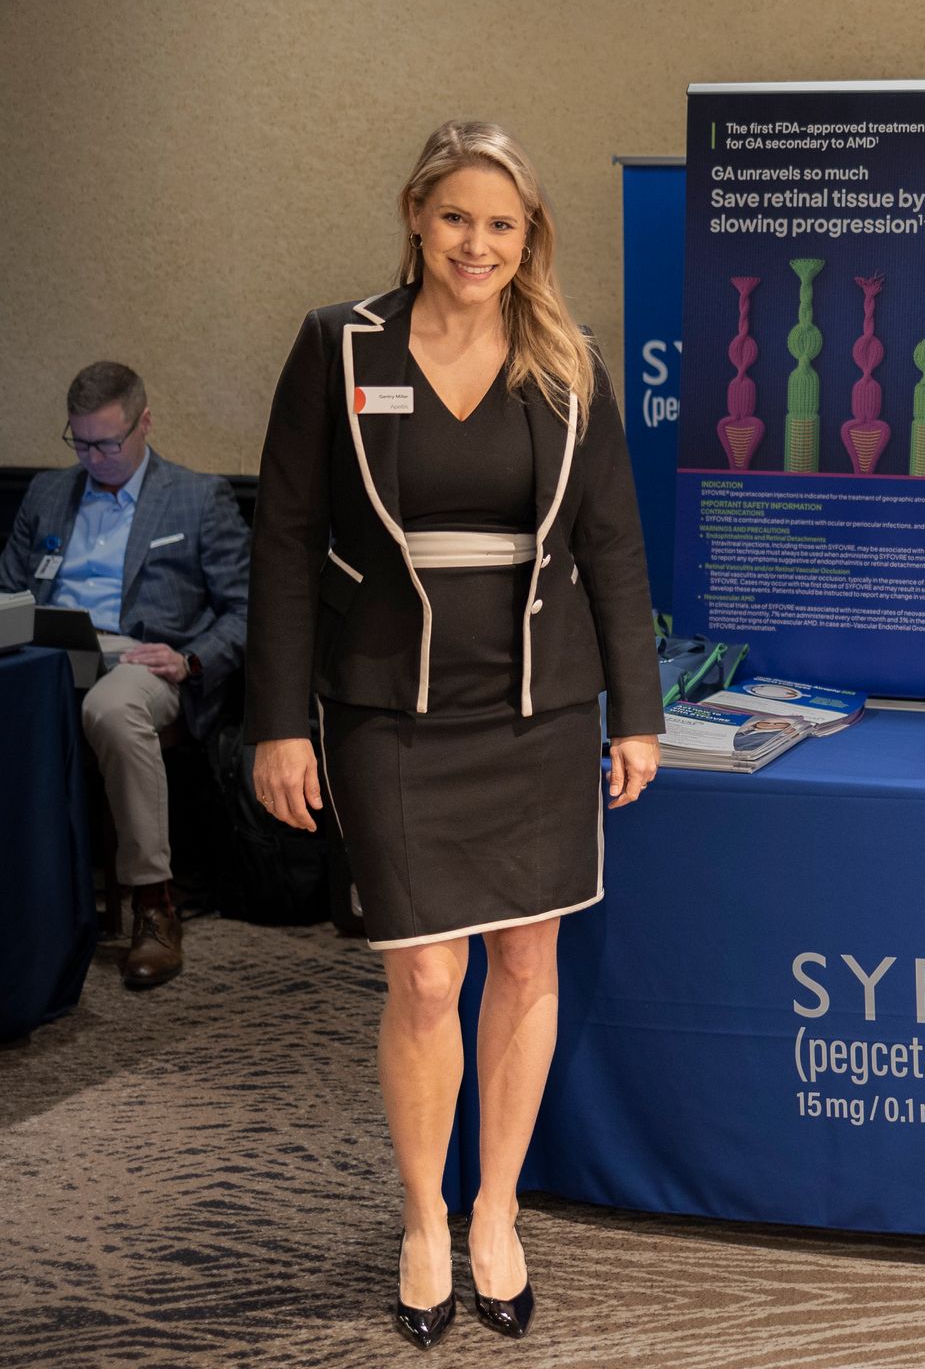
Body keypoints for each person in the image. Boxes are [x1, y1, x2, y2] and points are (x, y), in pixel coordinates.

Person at [245, 121, 663, 1350]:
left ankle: (496, 1210)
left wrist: (637, 712)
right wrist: (277, 724)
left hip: (539, 699)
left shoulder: (567, 357)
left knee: (528, 964)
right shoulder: (341, 344)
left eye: (503, 223)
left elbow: (613, 548)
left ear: (531, 235)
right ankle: (423, 1217)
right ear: (417, 218)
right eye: (457, 218)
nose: (478, 244)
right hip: (386, 700)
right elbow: (281, 536)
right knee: (427, 973)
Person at [0, 362, 250, 987]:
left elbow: (249, 609)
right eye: (80, 443)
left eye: (108, 443)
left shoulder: (198, 497)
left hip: (145, 662)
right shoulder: (47, 493)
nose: (95, 457)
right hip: (49, 647)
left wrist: (191, 660)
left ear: (145, 424)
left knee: (110, 709)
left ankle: (153, 903)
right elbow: (8, 589)